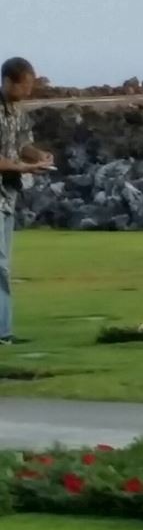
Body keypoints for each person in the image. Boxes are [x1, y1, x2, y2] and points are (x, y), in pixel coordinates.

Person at [0, 57, 53, 346]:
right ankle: (3, 334)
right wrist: (20, 167)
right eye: (25, 85)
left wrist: (39, 157)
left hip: (8, 196)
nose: (29, 92)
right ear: (8, 81)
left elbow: (22, 144)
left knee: (4, 264)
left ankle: (4, 333)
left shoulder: (17, 112)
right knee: (0, 267)